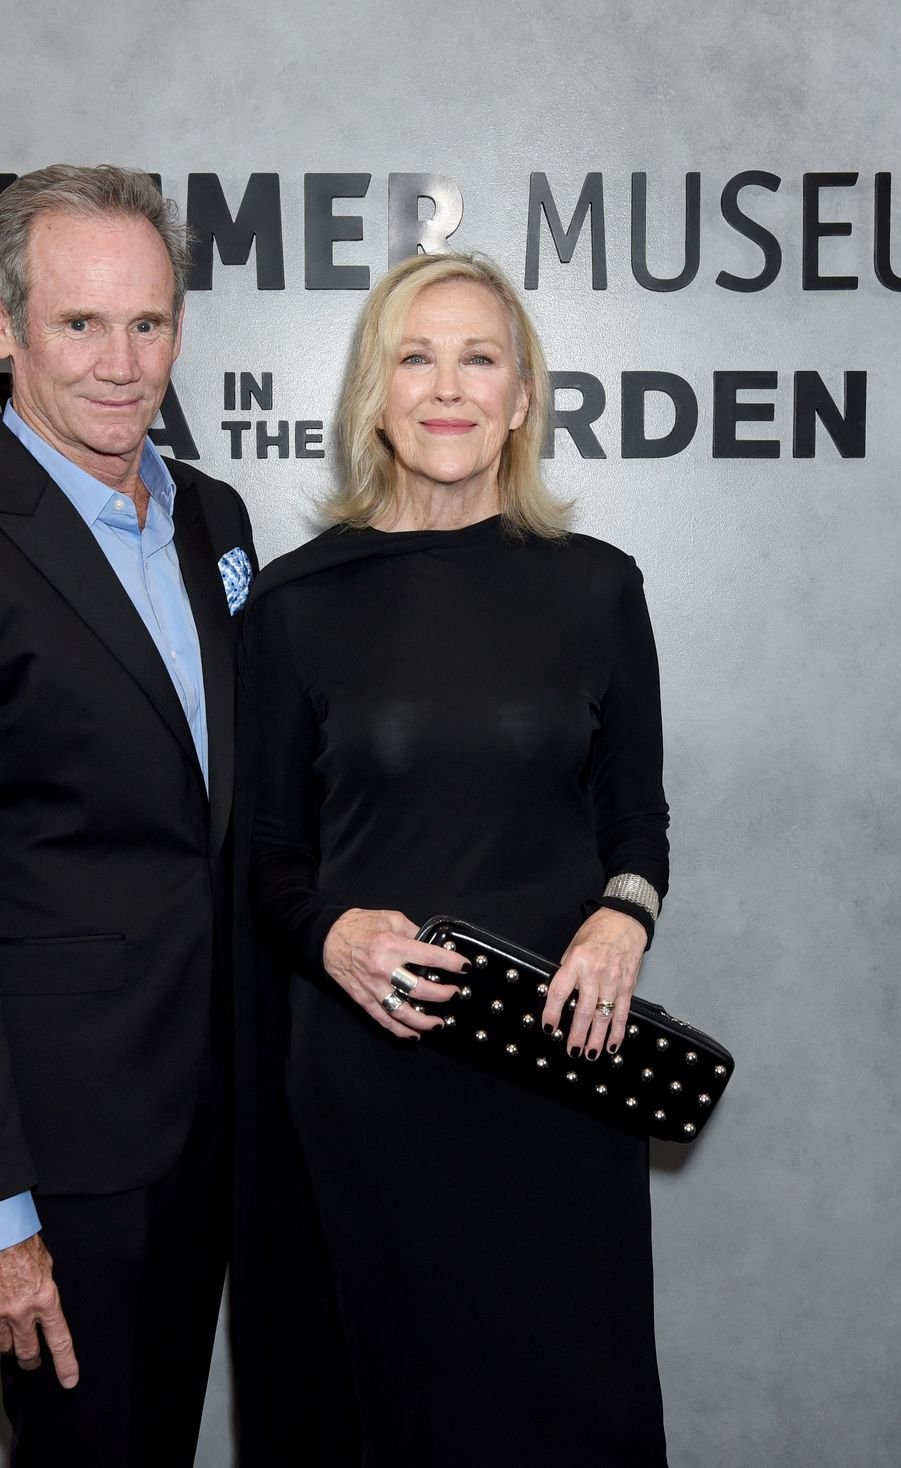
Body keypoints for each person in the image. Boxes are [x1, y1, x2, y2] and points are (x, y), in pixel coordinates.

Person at [0, 164, 254, 1466]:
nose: (122, 363)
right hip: (68, 1161)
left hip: (225, 1119)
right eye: (81, 324)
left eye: (148, 323)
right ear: (0, 323)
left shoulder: (215, 518)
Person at [247, 251, 673, 1467]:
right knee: (392, 1413)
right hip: (371, 1082)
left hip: (556, 1072)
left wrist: (619, 919)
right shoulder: (292, 605)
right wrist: (330, 935)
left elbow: (634, 819)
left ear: (522, 395)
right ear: (374, 393)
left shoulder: (596, 589)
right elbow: (267, 857)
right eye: (414, 357)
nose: (447, 388)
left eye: (478, 357)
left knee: (566, 1412)